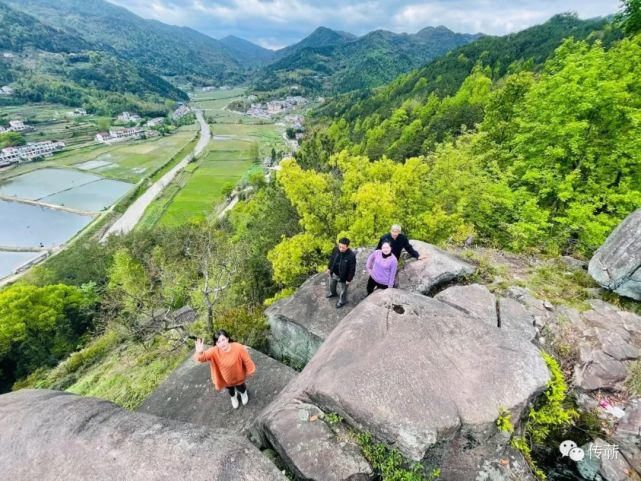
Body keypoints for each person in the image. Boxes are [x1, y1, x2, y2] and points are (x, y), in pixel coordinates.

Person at [193, 329, 256, 409]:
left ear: (227, 338)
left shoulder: (237, 347)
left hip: (238, 376)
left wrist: (251, 370)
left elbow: (246, 359)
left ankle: (243, 394)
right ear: (216, 344)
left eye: (223, 340)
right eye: (218, 342)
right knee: (231, 390)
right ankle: (233, 397)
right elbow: (202, 358)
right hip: (225, 379)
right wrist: (200, 352)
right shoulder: (214, 351)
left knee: (241, 387)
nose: (222, 343)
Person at [326, 237, 356, 308]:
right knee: (331, 285)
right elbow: (331, 259)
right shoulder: (335, 249)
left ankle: (342, 301)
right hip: (334, 273)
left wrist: (349, 279)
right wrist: (329, 268)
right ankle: (333, 293)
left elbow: (352, 269)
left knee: (343, 290)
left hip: (343, 276)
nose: (341, 249)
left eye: (343, 247)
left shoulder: (351, 255)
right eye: (340, 247)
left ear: (347, 246)